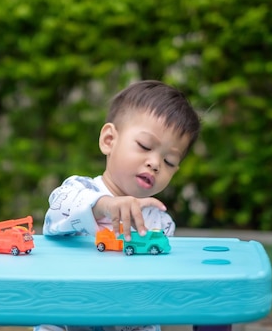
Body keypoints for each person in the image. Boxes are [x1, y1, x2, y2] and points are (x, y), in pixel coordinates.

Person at [37, 80, 201, 331]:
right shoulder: (78, 190)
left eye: (169, 161)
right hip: (68, 315)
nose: (155, 163)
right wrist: (104, 205)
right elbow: (55, 217)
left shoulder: (160, 222)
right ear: (109, 140)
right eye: (145, 146)